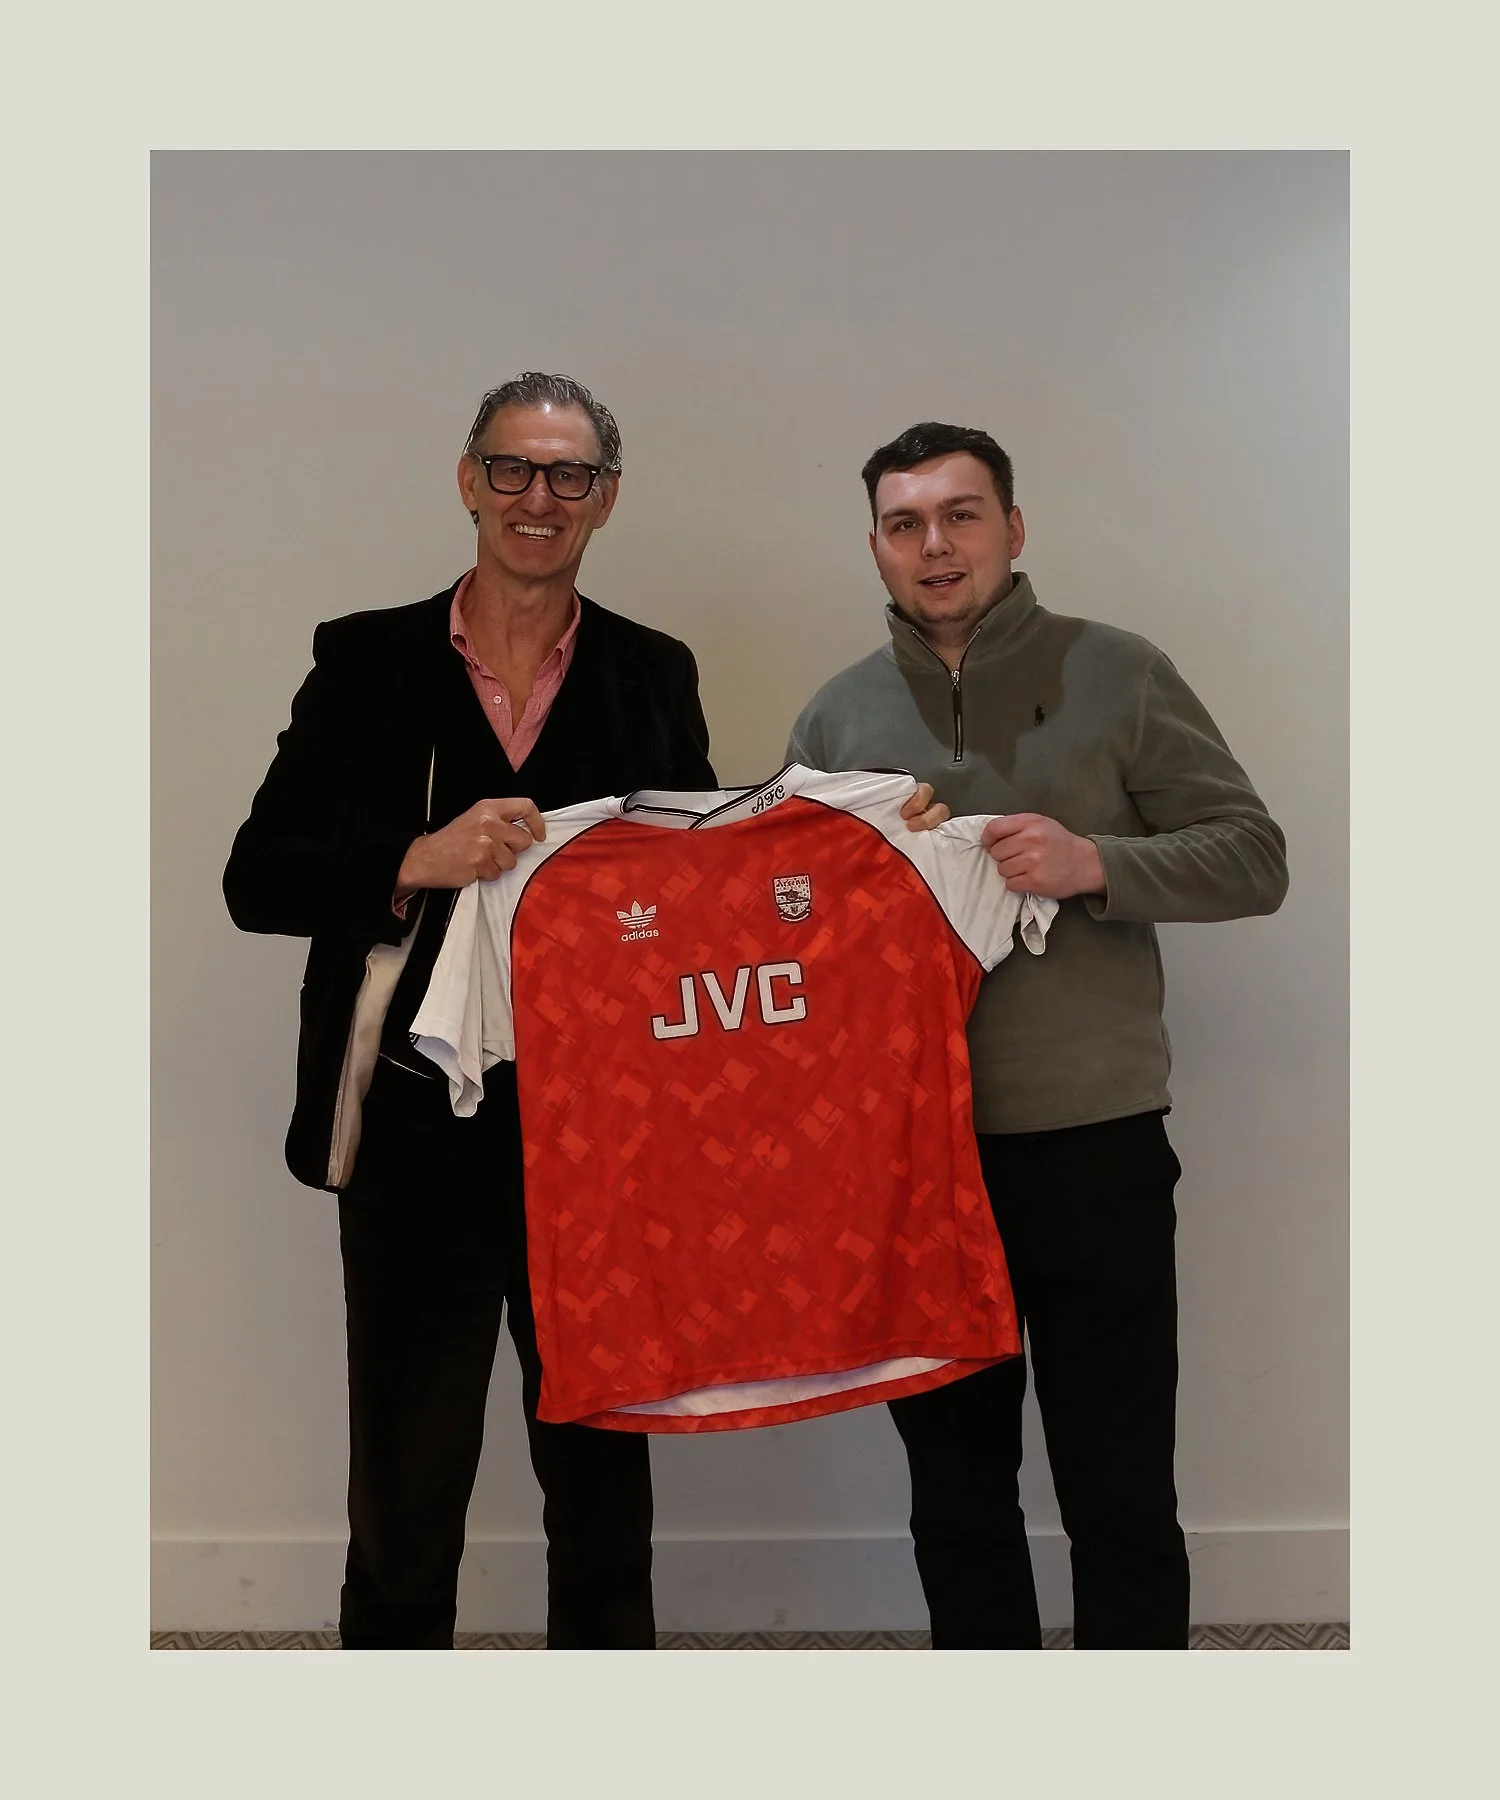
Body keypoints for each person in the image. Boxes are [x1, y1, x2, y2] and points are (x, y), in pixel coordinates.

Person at [223, 373, 944, 1650]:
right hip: (412, 1132)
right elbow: (258, 876)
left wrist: (877, 854)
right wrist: (416, 855)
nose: (536, 499)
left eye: (567, 476)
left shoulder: (649, 670)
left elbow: (695, 891)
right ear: (467, 481)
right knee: (407, 1469)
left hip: (603, 1143)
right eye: (511, 469)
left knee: (604, 1471)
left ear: (605, 499)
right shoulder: (367, 658)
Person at [785, 421, 1289, 1650]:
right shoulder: (835, 721)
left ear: (1014, 530)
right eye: (905, 525)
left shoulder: (1121, 671)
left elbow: (1254, 857)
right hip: (917, 1166)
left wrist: (1090, 861)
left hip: (1094, 1143)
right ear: (875, 549)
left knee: (1119, 1489)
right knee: (955, 1496)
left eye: (961, 515)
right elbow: (791, 937)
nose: (935, 546)